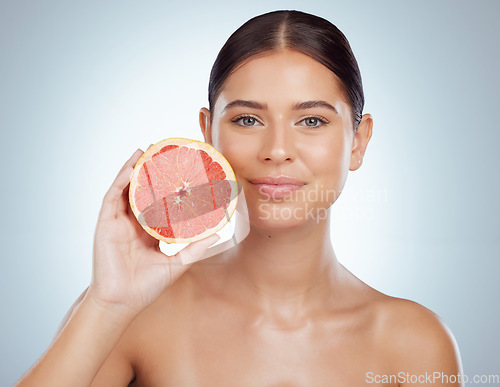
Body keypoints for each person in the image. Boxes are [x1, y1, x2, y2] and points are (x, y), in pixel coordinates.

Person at [15, 9, 463, 386]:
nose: (277, 150)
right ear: (208, 132)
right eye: (248, 120)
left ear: (359, 142)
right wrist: (106, 306)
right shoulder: (134, 314)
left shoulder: (415, 344)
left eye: (312, 121)